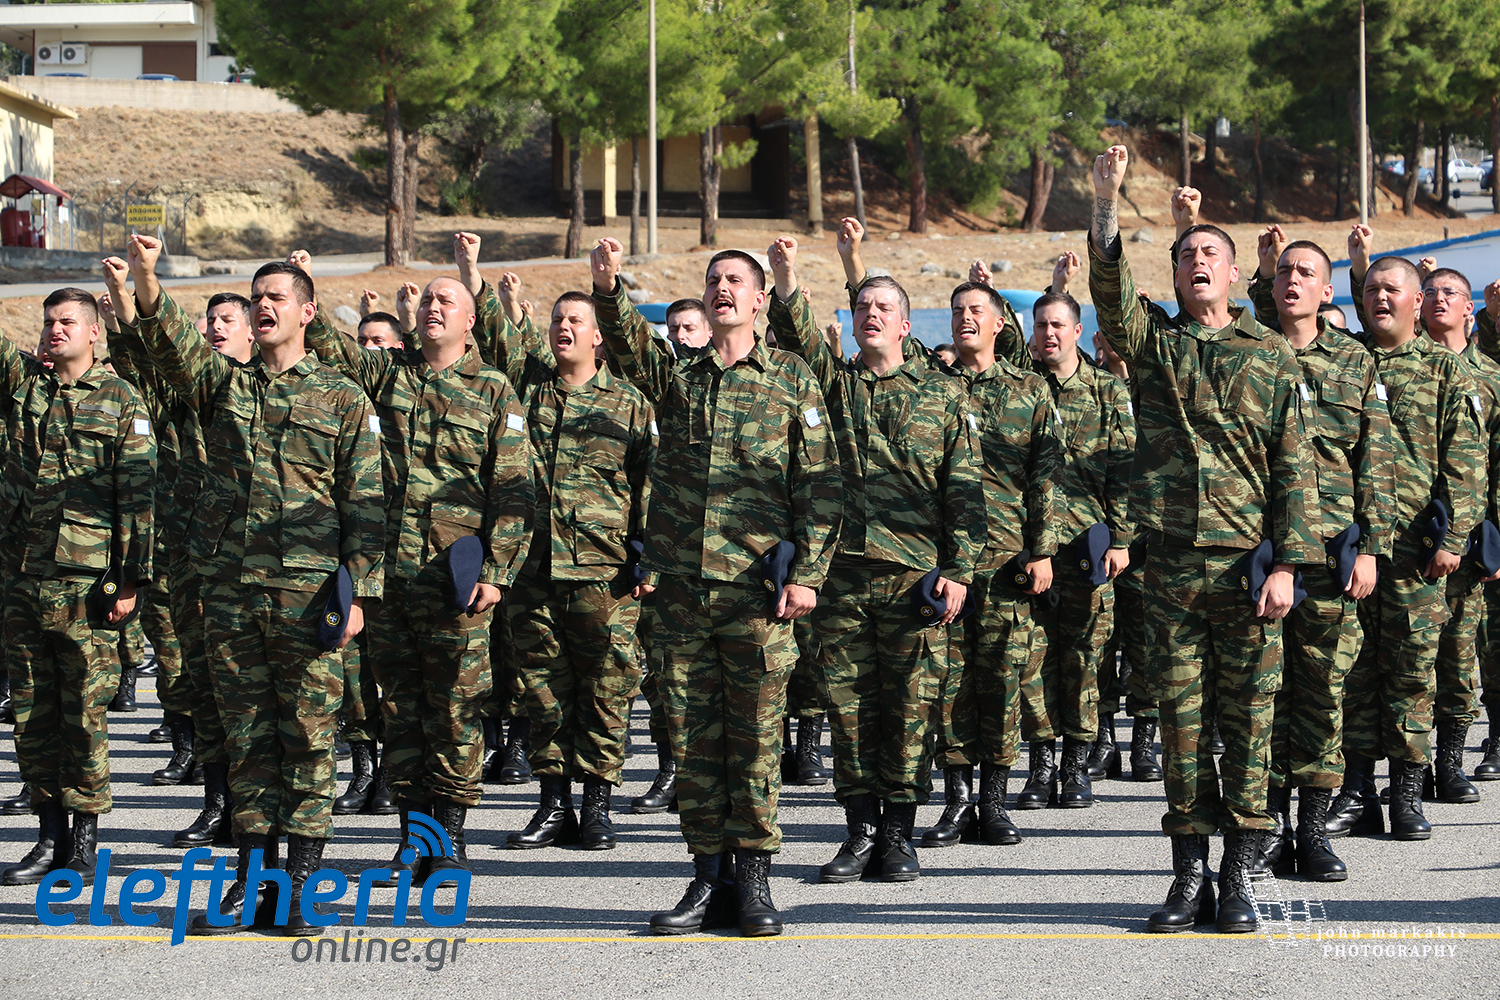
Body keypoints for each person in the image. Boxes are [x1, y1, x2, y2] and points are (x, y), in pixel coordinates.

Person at [1088, 144, 1322, 934]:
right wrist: (1106, 202)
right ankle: (1189, 873)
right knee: (1183, 726)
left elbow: (1295, 467)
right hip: (1173, 573)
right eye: (1185, 255)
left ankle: (1241, 874)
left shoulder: (1271, 356)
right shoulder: (1155, 346)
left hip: (1249, 570)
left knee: (1251, 724)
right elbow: (1111, 295)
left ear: (1233, 274)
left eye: (1209, 255)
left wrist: (1289, 564)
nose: (1196, 263)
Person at [124, 234, 385, 936]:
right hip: (232, 594)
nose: (264, 307)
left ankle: (300, 887)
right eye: (256, 298)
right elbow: (172, 343)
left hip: (309, 597)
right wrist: (147, 278)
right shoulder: (223, 386)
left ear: (306, 312)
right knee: (246, 740)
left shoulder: (342, 397)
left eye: (276, 298)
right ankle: (251, 882)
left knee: (308, 739)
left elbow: (365, 503)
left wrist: (358, 594)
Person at [591, 235, 841, 938]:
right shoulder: (679, 378)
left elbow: (820, 483)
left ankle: (754, 883)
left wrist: (809, 576)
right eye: (712, 280)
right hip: (681, 596)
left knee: (755, 740)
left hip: (757, 595)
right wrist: (608, 288)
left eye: (734, 280)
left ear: (760, 300)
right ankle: (708, 878)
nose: (721, 289)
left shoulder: (791, 378)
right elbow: (628, 347)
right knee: (693, 741)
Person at [300, 244, 534, 883]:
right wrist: (305, 283)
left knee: (456, 709)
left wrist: (497, 572)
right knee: (400, 710)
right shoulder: (387, 375)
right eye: (427, 299)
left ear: (470, 320)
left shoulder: (493, 389)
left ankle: (448, 839)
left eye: (446, 300)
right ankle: (412, 839)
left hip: (454, 579)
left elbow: (514, 488)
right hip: (388, 580)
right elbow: (328, 345)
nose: (433, 307)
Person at [766, 234, 984, 884]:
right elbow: (798, 337)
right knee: (848, 708)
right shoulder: (831, 385)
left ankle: (898, 835)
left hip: (913, 578)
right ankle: (859, 831)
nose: (871, 315)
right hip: (840, 579)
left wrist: (960, 570)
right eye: (863, 307)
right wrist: (785, 277)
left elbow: (964, 490)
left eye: (884, 307)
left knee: (911, 710)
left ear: (906, 324)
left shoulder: (942, 394)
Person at [454, 232, 654, 852]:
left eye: (576, 321)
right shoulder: (526, 389)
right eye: (557, 320)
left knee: (606, 688)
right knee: (540, 689)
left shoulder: (629, 403)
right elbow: (494, 332)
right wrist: (471, 272)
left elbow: (648, 486)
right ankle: (552, 803)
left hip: (604, 572)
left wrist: (647, 559)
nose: (564, 327)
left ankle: (597, 805)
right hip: (533, 569)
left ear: (597, 337)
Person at [1244, 224, 1391, 881]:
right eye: (1284, 272)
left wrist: (1373, 549)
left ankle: (1313, 830)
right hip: (1262, 550)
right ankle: (1271, 829)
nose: (1294, 280)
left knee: (1323, 693)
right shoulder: (1249, 352)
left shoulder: (1355, 363)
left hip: (1331, 556)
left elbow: (1376, 462)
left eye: (1306, 273)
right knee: (1264, 694)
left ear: (1328, 291)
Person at [1329, 227, 1483, 844]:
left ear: (1417, 301)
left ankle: (1408, 793)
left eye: (1391, 289)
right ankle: (1358, 792)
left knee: (1413, 673)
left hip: (1417, 552)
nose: (1380, 298)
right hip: (1352, 550)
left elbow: (1466, 463)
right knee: (1354, 672)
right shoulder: (1345, 362)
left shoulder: (1445, 371)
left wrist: (1456, 538)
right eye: (1370, 290)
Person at [0, 285, 155, 887]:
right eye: (47, 322)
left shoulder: (121, 399)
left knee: (84, 715)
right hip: (22, 577)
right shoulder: (24, 387)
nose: (54, 330)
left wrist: (130, 580)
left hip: (86, 585)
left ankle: (84, 842)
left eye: (66, 321)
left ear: (94, 331)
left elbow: (136, 496)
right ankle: (48, 837)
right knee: (31, 714)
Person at [1021, 289, 1135, 809]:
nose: (1048, 334)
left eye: (1057, 325)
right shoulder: (1022, 387)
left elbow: (1124, 470)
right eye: (1040, 325)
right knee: (1035, 661)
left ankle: (1075, 767)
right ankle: (1040, 767)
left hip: (1087, 549)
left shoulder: (1107, 391)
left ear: (1076, 330)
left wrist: (1122, 538)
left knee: (1086, 659)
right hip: (1031, 551)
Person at [1415, 264, 1500, 804]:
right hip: (1409, 537)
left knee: (1459, 653)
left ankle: (1449, 763)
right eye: (1430, 292)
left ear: (1470, 308)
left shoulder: (1490, 375)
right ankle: (1409, 767)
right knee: (1409, 660)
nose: (1438, 299)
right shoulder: (1403, 365)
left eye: (1450, 292)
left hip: (1469, 541)